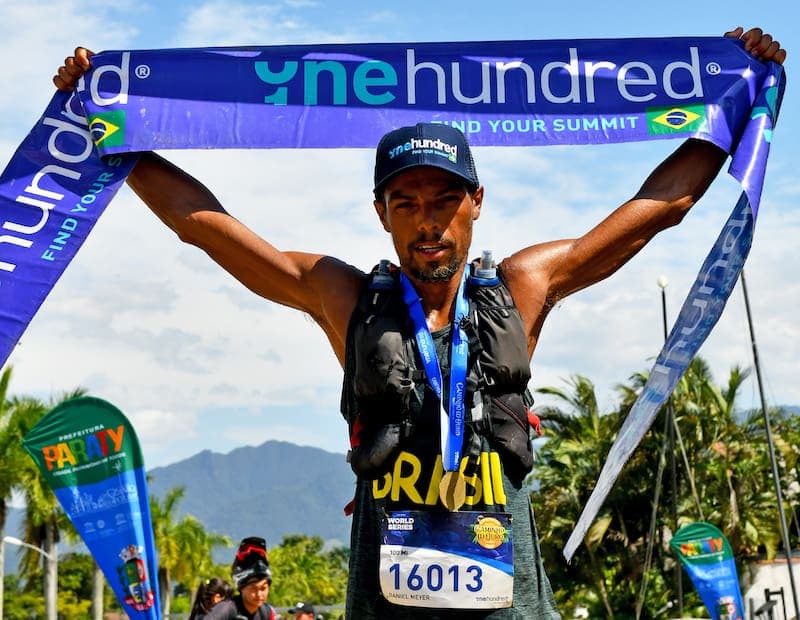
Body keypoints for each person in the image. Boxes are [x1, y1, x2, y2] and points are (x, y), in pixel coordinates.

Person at [54, 27, 786, 619]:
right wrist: (119, 135)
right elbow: (207, 231)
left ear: (476, 202)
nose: (426, 222)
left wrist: (736, 97)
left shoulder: (523, 288)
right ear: (381, 214)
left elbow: (657, 212)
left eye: (443, 201)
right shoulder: (343, 297)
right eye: (405, 203)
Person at [204, 537, 278, 620]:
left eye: (263, 588)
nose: (259, 594)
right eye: (253, 588)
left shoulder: (267, 612)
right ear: (241, 588)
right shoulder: (225, 610)